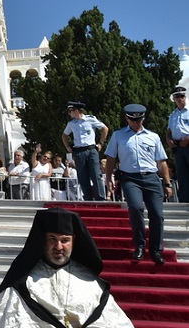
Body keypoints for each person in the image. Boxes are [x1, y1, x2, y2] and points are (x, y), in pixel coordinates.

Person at [0, 207, 133, 327]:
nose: (58, 246)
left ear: (74, 242)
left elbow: (112, 322)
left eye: (65, 240)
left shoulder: (91, 283)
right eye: (52, 239)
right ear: (42, 241)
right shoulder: (22, 284)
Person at [104, 103, 173, 264]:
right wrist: (108, 179)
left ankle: (155, 250)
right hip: (130, 178)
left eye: (139, 120)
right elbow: (111, 159)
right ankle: (140, 246)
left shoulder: (153, 136)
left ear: (143, 119)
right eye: (132, 120)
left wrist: (168, 183)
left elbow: (161, 161)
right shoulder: (118, 136)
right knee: (136, 208)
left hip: (151, 178)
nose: (136, 123)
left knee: (157, 214)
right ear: (127, 119)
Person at [62, 101, 109, 201]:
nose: (69, 114)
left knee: (96, 175)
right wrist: (67, 146)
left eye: (70, 111)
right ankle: (87, 198)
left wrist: (100, 143)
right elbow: (64, 135)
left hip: (91, 149)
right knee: (83, 176)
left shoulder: (90, 119)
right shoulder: (71, 124)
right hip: (79, 151)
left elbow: (104, 128)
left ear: (76, 111)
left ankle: (100, 198)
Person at [167, 86, 189, 202]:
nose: (180, 99)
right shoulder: (173, 115)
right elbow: (169, 131)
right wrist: (169, 140)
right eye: (177, 97)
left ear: (185, 97)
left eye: (182, 96)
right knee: (182, 174)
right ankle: (185, 200)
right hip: (179, 146)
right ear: (174, 99)